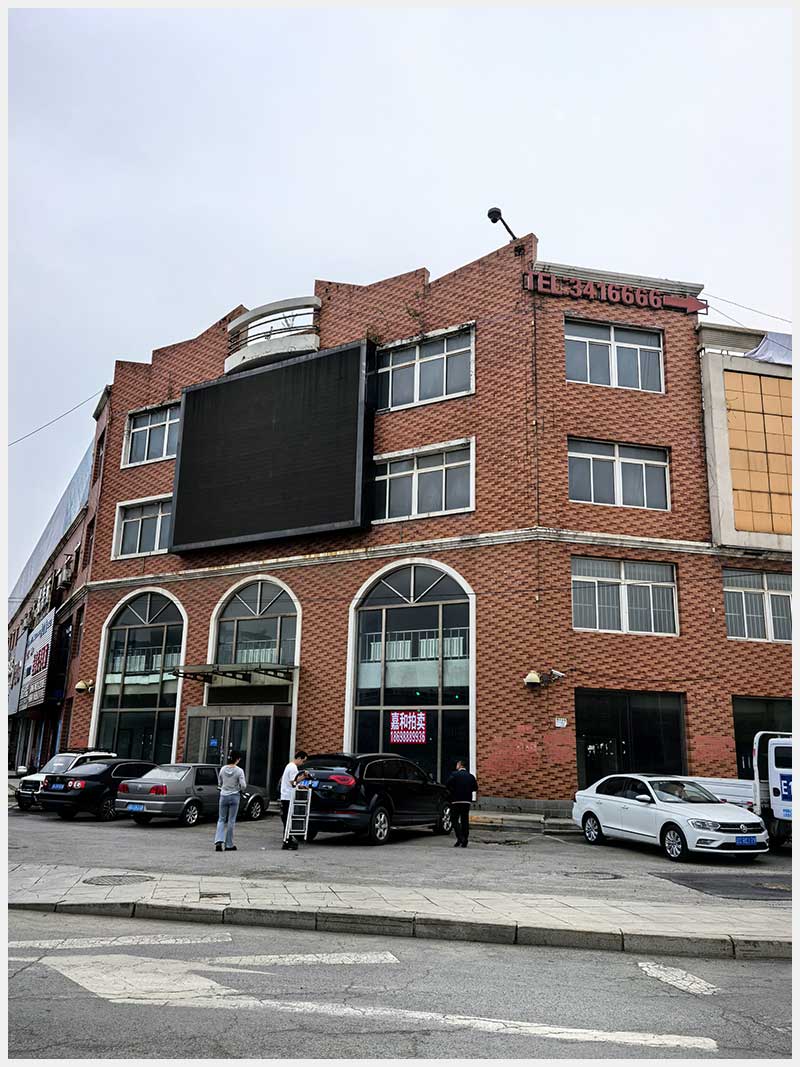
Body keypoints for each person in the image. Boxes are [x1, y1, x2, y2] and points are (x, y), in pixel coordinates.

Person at [214, 750, 246, 852]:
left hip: (223, 795)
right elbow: (243, 785)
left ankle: (218, 842)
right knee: (231, 820)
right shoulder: (239, 771)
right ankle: (229, 844)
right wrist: (240, 789)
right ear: (237, 759)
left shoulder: (223, 769)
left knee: (221, 819)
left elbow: (220, 782)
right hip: (234, 796)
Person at [446, 758, 478, 848]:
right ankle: (465, 838)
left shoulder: (454, 774)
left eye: (457, 764)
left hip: (456, 800)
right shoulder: (471, 776)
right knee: (465, 820)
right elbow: (475, 788)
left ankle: (460, 837)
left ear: (460, 765)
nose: (456, 766)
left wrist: (452, 791)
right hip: (466, 801)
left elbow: (447, 784)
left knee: (454, 819)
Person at [280, 749, 308, 851]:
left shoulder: (289, 766)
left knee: (286, 819)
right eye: (303, 761)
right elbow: (293, 782)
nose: (302, 763)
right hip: (288, 797)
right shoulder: (293, 768)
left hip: (285, 796)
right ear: (299, 758)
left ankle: (287, 839)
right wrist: (304, 777)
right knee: (288, 819)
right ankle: (287, 840)